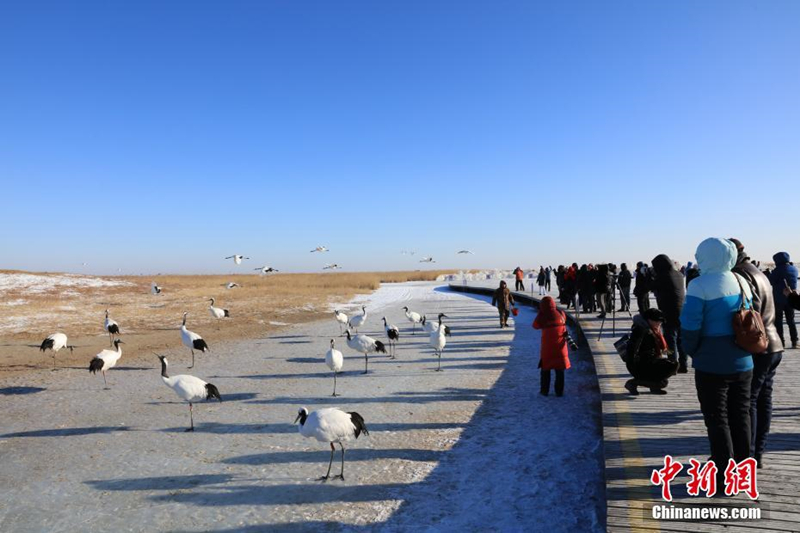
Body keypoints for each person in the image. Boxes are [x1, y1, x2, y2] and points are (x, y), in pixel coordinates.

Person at [681, 238, 754, 482]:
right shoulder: (741, 279)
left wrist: (692, 350)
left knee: (717, 418)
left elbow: (690, 325)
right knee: (740, 414)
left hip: (711, 364)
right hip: (743, 360)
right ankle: (743, 470)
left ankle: (723, 473)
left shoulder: (698, 285)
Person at [730, 238, 783, 467]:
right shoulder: (757, 271)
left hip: (758, 345)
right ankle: (758, 453)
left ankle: (748, 456)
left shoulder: (740, 275)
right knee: (763, 400)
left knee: (748, 400)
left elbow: (748, 313)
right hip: (774, 344)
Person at [624, 308, 678, 395]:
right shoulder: (640, 330)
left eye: (660, 322)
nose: (659, 324)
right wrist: (633, 365)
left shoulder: (654, 330)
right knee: (669, 369)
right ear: (649, 320)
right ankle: (633, 383)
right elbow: (632, 350)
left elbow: (664, 350)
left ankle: (654, 386)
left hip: (650, 360)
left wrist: (672, 355)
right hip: (639, 364)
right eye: (657, 321)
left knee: (664, 379)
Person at [651, 254, 687, 373]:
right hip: (682, 310)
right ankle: (684, 364)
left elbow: (649, 287)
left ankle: (672, 365)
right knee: (681, 339)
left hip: (669, 311)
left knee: (670, 340)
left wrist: (648, 277)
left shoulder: (663, 276)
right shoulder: (679, 274)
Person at [533, 296, 571, 396]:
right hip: (560, 348)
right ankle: (559, 392)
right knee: (560, 371)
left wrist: (540, 313)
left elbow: (535, 325)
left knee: (545, 370)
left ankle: (544, 391)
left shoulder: (543, 316)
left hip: (547, 349)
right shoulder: (561, 313)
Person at [769, 252, 798, 349]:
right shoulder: (794, 269)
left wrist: (769, 274)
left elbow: (771, 281)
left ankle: (781, 342)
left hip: (778, 299)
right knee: (791, 321)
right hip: (792, 299)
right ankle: (795, 341)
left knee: (778, 321)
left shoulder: (777, 270)